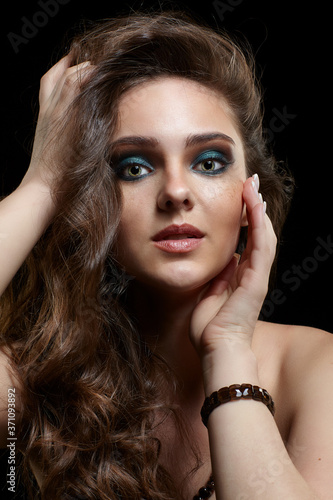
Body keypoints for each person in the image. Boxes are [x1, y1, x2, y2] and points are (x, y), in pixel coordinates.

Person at [0, 10, 332, 500]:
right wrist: (45, 182)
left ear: (249, 198)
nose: (176, 192)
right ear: (93, 205)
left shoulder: (315, 366)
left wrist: (229, 352)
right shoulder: (35, 376)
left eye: (209, 161)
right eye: (133, 167)